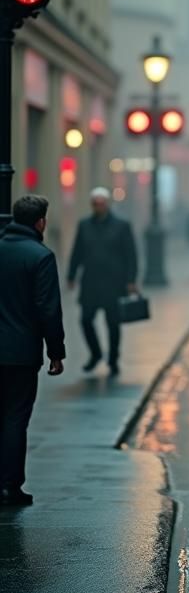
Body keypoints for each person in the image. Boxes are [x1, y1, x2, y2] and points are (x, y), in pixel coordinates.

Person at [0, 195, 65, 506]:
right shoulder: (40, 256)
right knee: (15, 417)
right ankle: (9, 485)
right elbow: (48, 309)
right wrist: (56, 352)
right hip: (21, 353)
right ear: (40, 222)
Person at [68, 188, 138, 375]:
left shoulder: (122, 225)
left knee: (113, 323)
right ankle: (96, 353)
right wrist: (71, 276)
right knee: (85, 320)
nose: (98, 207)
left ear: (107, 204)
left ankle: (113, 359)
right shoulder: (84, 225)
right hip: (90, 282)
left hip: (113, 283)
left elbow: (131, 255)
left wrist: (131, 280)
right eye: (95, 203)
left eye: (101, 203)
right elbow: (77, 251)